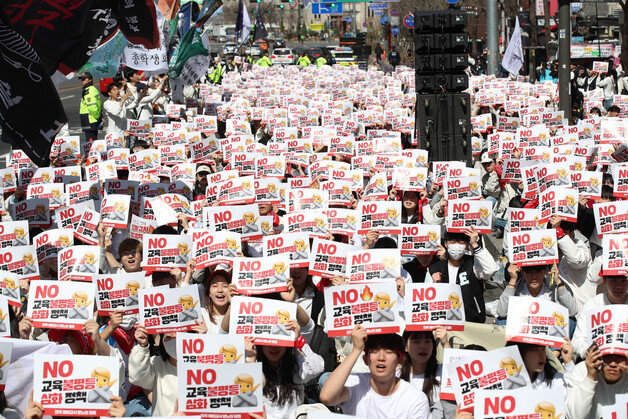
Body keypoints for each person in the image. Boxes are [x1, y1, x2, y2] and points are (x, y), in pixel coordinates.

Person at [319, 326, 431, 418]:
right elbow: (327, 397)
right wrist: (356, 350)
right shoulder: (355, 383)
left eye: (388, 352)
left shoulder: (415, 399)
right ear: (365, 359)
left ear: (400, 360)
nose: (381, 357)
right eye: (375, 351)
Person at [427, 229, 499, 323]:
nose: (457, 245)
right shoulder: (434, 268)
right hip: (444, 322)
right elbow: (427, 297)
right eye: (452, 242)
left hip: (471, 321)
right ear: (446, 244)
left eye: (461, 242)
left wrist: (475, 244)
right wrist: (434, 284)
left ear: (466, 245)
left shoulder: (474, 264)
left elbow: (491, 269)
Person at [566, 346, 627, 418]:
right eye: (607, 356)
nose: (613, 364)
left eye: (619, 356)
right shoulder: (582, 370)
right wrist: (590, 377)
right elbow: (574, 416)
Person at [78, 71, 102, 142]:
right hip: (89, 120)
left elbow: (92, 107)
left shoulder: (89, 90)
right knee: (91, 141)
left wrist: (98, 117)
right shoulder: (89, 89)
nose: (82, 81)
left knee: (90, 143)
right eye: (81, 79)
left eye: (84, 79)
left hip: (90, 120)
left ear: (90, 79)